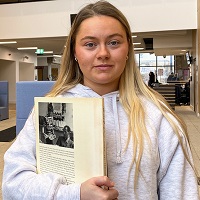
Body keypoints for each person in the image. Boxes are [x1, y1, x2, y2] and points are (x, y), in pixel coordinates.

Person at [2, 1, 199, 199]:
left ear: (128, 49)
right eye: (90, 44)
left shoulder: (159, 116)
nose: (103, 53)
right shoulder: (49, 109)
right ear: (74, 52)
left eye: (114, 42)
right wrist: (73, 194)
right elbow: (12, 183)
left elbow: (181, 193)